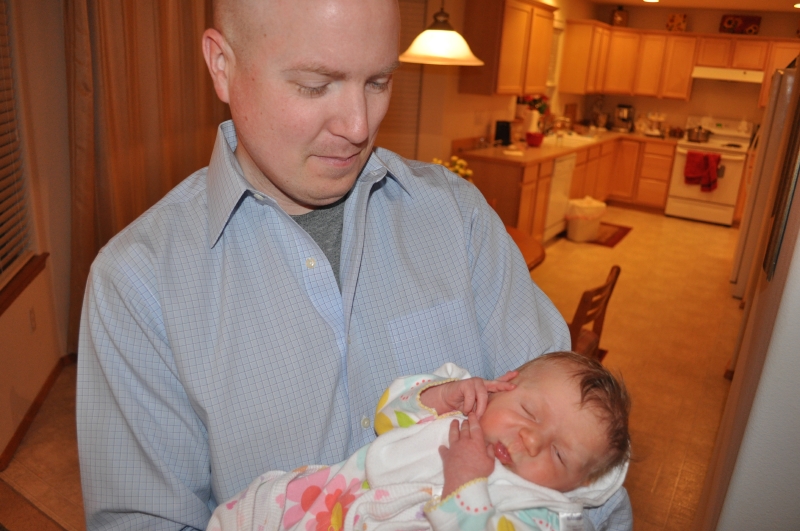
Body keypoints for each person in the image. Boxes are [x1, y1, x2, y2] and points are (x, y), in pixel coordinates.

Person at [76, 0, 633, 529]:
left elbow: (589, 478)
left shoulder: (459, 217)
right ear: (222, 66)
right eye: (315, 85)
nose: (359, 126)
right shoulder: (136, 284)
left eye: (378, 82)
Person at [206, 352, 631, 531]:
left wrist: (467, 489)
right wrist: (440, 396)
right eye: (528, 412)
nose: (530, 440)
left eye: (558, 454)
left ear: (575, 486)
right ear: (504, 384)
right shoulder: (461, 412)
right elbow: (387, 418)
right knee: (258, 506)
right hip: (327, 505)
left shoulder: (537, 514)